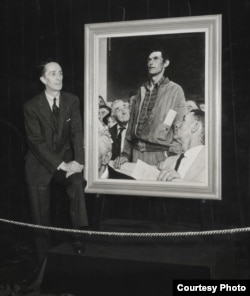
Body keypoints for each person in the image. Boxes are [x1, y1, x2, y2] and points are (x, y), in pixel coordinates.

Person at [23, 60, 88, 262]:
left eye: (60, 72)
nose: (59, 77)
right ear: (43, 79)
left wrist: (79, 162)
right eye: (52, 74)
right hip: (39, 165)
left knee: (77, 183)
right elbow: (36, 143)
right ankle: (44, 263)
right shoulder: (31, 106)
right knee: (40, 220)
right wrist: (61, 164)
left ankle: (79, 237)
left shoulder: (72, 100)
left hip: (67, 163)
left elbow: (77, 133)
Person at [113, 48, 186, 168]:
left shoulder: (175, 90)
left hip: (160, 156)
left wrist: (173, 157)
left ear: (166, 63)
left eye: (156, 59)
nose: (151, 63)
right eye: (149, 60)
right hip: (136, 154)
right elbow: (131, 125)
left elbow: (179, 127)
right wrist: (125, 154)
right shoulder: (141, 90)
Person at [157, 109, 206, 183]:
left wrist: (180, 183)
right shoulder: (167, 162)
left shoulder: (210, 163)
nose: (177, 125)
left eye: (183, 120)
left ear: (195, 127)